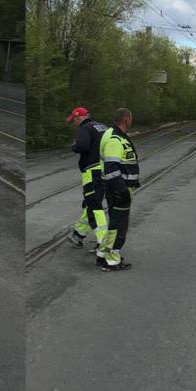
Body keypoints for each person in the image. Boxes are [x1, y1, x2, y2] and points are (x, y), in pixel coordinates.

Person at [98, 107, 140, 272]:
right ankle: (112, 259)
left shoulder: (113, 134)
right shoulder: (115, 139)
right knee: (119, 225)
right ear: (127, 120)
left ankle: (103, 254)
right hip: (119, 189)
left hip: (117, 187)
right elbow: (111, 168)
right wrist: (122, 191)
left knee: (115, 223)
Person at [64, 107, 108, 254]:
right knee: (89, 203)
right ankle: (79, 234)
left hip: (92, 171)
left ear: (79, 117)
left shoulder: (85, 128)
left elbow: (81, 146)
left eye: (74, 120)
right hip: (105, 170)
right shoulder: (102, 126)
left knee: (94, 205)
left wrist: (74, 145)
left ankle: (104, 243)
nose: (74, 123)